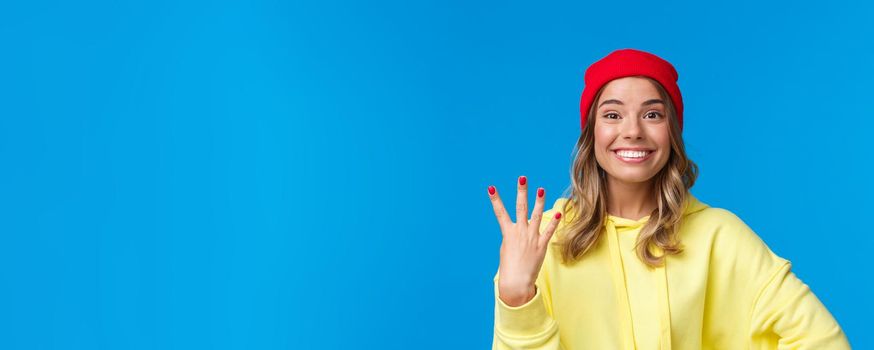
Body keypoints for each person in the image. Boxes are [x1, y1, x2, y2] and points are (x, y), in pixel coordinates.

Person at [487, 48, 850, 349]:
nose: (632, 131)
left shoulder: (719, 236)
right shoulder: (544, 239)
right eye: (612, 114)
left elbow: (824, 341)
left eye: (652, 114)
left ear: (672, 131)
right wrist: (516, 300)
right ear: (591, 133)